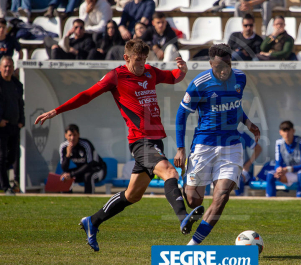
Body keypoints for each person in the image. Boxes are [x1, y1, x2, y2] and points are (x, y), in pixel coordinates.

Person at [34, 39, 201, 252]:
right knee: (170, 172)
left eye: (144, 60)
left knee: (133, 195)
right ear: (126, 58)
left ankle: (92, 221)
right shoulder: (116, 76)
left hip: (155, 140)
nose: (141, 64)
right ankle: (183, 218)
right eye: (137, 60)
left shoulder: (150, 71)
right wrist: (56, 111)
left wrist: (182, 71)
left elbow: (172, 77)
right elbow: (87, 95)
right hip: (140, 141)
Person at [174, 44, 261, 245]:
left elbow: (235, 106)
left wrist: (248, 123)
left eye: (228, 65)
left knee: (221, 196)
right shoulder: (199, 84)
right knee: (194, 200)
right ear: (211, 64)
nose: (224, 71)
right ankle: (189, 196)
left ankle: (193, 245)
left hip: (231, 146)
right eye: (220, 67)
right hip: (203, 146)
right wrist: (180, 148)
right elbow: (181, 114)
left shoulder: (240, 78)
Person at [265, 121, 301, 198]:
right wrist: (279, 170)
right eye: (284, 131)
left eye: (289, 130)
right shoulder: (279, 143)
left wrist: (287, 169)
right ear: (280, 132)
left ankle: (300, 200)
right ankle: (269, 201)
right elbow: (278, 162)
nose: (286, 133)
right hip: (292, 172)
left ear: (293, 131)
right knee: (271, 174)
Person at [0, 56, 24, 196]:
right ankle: (5, 186)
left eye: (10, 66)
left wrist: (22, 120)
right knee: (2, 157)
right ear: (0, 68)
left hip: (14, 125)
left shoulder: (16, 84)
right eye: (5, 66)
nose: (8, 69)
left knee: (13, 157)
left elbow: (21, 103)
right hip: (2, 126)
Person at [59, 124, 107, 194]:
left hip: (97, 169)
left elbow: (89, 165)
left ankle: (89, 200)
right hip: (82, 171)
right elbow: (64, 168)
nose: (72, 138)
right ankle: (67, 201)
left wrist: (72, 174)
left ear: (78, 135)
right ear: (65, 135)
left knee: (88, 176)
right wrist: (68, 155)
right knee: (64, 175)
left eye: (75, 135)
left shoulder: (85, 145)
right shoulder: (63, 147)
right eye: (70, 135)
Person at [234, 130, 262, 196]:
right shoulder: (220, 135)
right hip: (227, 169)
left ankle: (240, 201)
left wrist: (248, 164)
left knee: (238, 179)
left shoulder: (242, 135)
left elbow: (258, 148)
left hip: (243, 170)